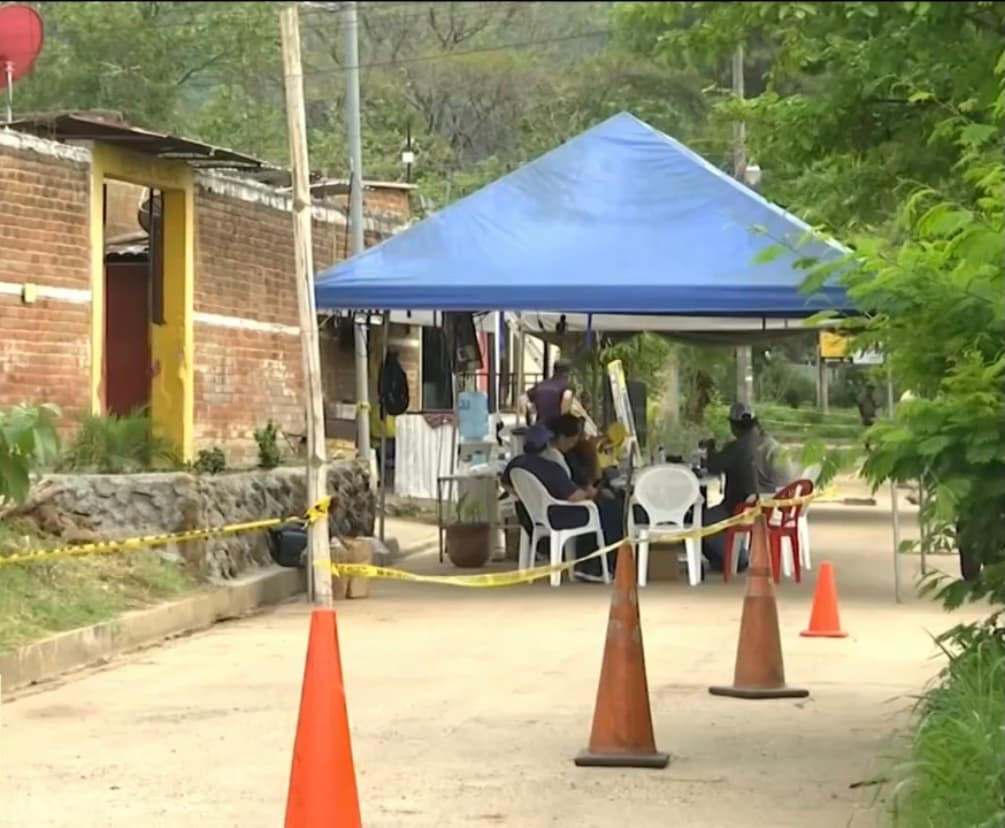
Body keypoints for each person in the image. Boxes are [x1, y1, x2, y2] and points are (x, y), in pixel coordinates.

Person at [502, 423, 615, 583]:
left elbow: (505, 484)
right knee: (607, 510)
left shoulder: (516, 463)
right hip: (559, 516)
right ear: (546, 444)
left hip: (533, 517)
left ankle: (589, 566)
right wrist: (591, 493)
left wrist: (526, 495)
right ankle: (594, 566)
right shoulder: (551, 468)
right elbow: (574, 496)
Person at [699, 402, 792, 574]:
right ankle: (732, 555)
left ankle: (737, 558)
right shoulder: (771, 443)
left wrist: (710, 448)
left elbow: (713, 466)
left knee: (702, 518)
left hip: (745, 507)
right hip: (775, 507)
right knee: (716, 516)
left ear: (734, 426)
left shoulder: (738, 447)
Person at [520, 359, 575, 428]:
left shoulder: (541, 384)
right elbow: (567, 397)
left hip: (540, 427)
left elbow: (523, 398)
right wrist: (564, 422)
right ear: (568, 372)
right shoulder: (567, 385)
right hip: (556, 428)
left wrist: (529, 418)